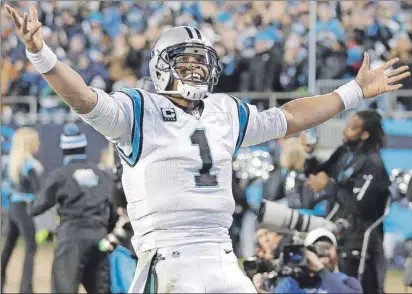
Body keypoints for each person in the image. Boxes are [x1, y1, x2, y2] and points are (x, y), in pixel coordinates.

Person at [5, 4, 410, 293]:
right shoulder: (136, 109)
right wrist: (42, 55)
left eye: (202, 61)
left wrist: (354, 91)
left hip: (221, 255)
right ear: (162, 66)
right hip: (166, 259)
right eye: (186, 61)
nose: (197, 68)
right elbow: (83, 97)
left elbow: (292, 117)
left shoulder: (225, 112)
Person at [306, 110, 390, 294]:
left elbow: (360, 206)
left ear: (365, 134)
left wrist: (329, 185)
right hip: (337, 232)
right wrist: (309, 155)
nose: (345, 130)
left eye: (352, 127)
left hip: (360, 241)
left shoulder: (373, 164)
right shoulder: (344, 152)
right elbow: (317, 176)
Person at [30, 123, 113, 293]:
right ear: (84, 146)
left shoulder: (61, 175)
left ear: (64, 149)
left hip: (71, 239)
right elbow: (113, 207)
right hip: (100, 239)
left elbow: (36, 207)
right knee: (101, 289)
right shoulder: (102, 174)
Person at [1, 127, 42, 293]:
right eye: (36, 140)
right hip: (24, 209)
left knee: (8, 247)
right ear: (30, 143)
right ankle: (26, 289)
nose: (39, 143)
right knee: (31, 246)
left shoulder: (12, 163)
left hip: (12, 207)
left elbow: (6, 187)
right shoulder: (30, 166)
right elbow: (38, 192)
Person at [274, 228, 363, 293]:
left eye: (327, 247)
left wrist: (322, 271)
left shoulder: (347, 281)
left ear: (336, 251)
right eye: (317, 248)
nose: (324, 252)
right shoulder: (293, 284)